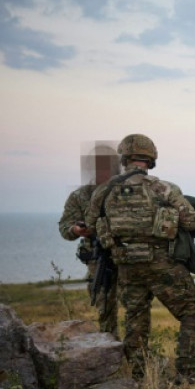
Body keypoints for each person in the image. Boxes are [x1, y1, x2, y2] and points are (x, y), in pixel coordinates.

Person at [85, 134, 195, 383]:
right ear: (151, 159)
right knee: (192, 313)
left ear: (124, 158)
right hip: (162, 263)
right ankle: (186, 370)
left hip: (126, 265)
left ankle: (141, 374)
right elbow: (191, 220)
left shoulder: (104, 191)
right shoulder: (163, 187)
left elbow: (90, 225)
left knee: (136, 318)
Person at [58, 143, 121, 337]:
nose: (103, 171)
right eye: (98, 166)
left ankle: (138, 356)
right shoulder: (80, 195)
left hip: (128, 255)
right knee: (104, 308)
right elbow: (64, 228)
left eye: (106, 166)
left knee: (137, 307)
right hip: (99, 258)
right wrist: (76, 230)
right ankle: (110, 349)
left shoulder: (127, 190)